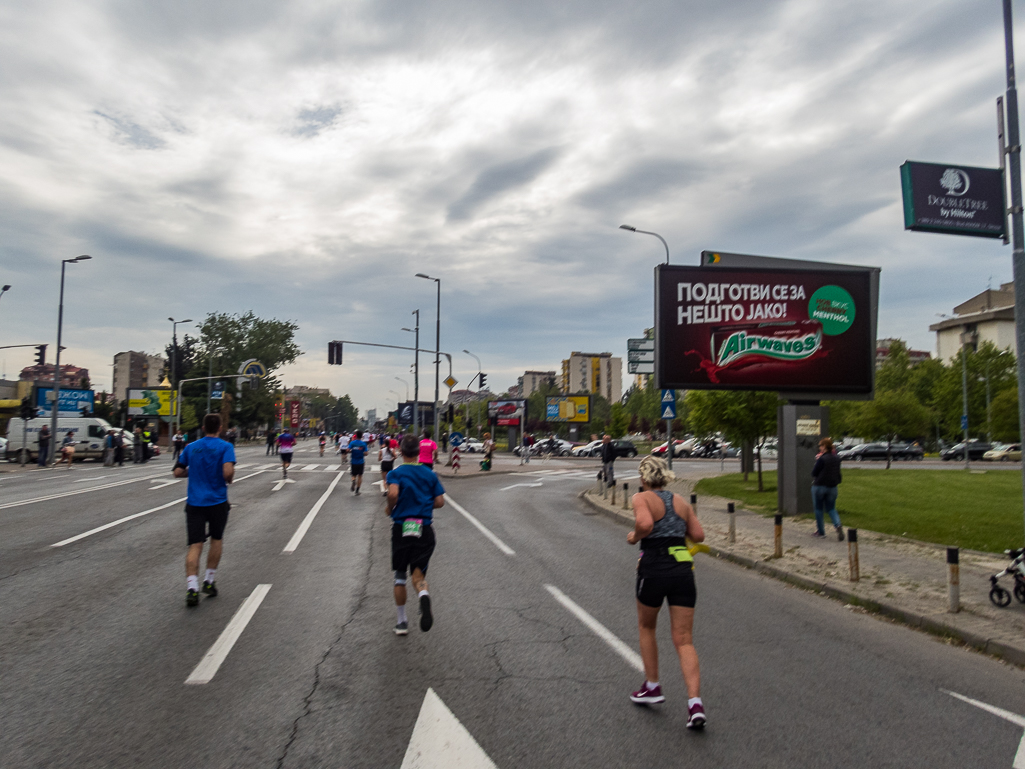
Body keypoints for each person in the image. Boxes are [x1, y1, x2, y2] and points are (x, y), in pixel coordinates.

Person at [626, 455, 706, 729]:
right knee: (684, 639)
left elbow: (646, 525)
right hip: (683, 571)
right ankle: (695, 704)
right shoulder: (680, 501)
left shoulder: (641, 498)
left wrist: (634, 536)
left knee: (647, 627)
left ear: (644, 479)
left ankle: (652, 686)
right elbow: (699, 535)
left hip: (655, 568)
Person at [174, 413, 236, 607]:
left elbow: (177, 471)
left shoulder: (191, 447)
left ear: (202, 427)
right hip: (217, 502)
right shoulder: (226, 447)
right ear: (219, 428)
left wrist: (193, 472)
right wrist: (229, 478)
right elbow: (227, 472)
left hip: (195, 503)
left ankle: (192, 587)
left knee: (195, 544)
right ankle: (209, 581)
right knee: (216, 539)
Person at [386, 434, 445, 635]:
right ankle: (423, 594)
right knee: (418, 574)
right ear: (419, 453)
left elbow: (393, 494)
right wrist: (424, 505)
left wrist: (389, 508)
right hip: (424, 528)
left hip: (403, 526)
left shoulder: (396, 473)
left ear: (401, 452)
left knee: (400, 576)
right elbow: (440, 502)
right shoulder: (430, 474)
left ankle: (402, 622)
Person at [812, 437, 844, 541]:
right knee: (831, 508)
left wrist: (817, 461)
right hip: (832, 487)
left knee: (818, 509)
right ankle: (837, 524)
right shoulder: (837, 458)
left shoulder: (822, 459)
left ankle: (821, 531)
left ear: (824, 446)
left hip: (819, 486)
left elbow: (814, 472)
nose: (820, 448)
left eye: (821, 446)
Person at [349, 430, 368, 494]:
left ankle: (353, 480)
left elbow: (347, 450)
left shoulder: (352, 443)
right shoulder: (363, 444)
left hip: (353, 461)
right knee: (360, 476)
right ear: (362, 436)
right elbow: (366, 453)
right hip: (361, 462)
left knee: (353, 474)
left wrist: (353, 451)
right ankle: (357, 490)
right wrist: (361, 452)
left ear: (356, 435)